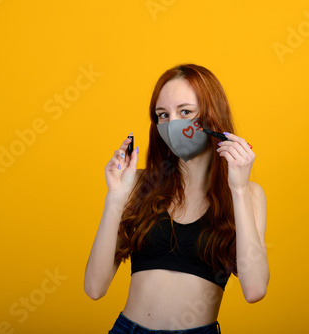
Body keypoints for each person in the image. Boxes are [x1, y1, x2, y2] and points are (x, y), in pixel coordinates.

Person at [84, 64, 269, 333]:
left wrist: (238, 188)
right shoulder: (137, 185)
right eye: (163, 115)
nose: (172, 124)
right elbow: (94, 288)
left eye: (185, 112)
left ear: (211, 117)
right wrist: (115, 197)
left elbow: (255, 289)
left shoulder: (249, 194)